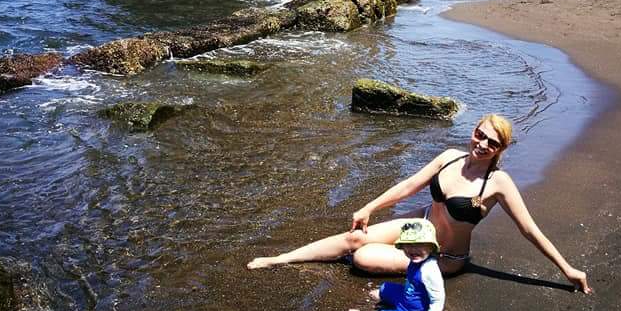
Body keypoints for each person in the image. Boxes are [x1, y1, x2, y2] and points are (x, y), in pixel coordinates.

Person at [247, 113, 592, 294]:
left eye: (492, 142)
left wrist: (567, 270)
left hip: (446, 256)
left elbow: (529, 230)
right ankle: (282, 258)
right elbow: (408, 186)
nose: (482, 143)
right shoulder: (449, 157)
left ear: (501, 149)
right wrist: (368, 208)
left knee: (362, 257)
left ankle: (402, 263)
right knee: (355, 237)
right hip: (422, 223)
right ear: (473, 131)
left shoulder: (498, 183)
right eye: (480, 134)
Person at [348, 219, 445, 311]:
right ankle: (383, 296)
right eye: (408, 245)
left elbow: (438, 301)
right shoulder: (418, 259)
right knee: (385, 287)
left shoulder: (430, 270)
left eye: (419, 245)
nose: (413, 250)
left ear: (431, 247)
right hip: (406, 296)